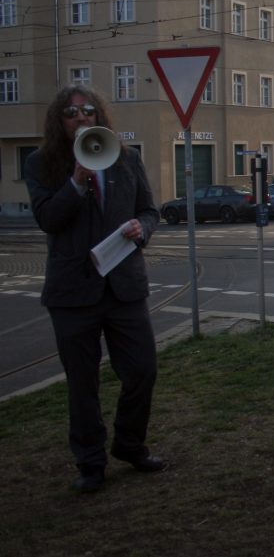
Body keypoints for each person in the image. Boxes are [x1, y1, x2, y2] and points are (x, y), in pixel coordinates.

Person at [24, 85, 164, 493]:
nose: (81, 118)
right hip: (73, 293)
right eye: (71, 113)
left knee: (142, 370)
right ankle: (90, 462)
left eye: (88, 111)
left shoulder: (126, 158)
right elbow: (48, 220)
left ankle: (130, 444)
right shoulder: (40, 163)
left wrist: (142, 229)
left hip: (124, 287)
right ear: (60, 121)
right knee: (82, 384)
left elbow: (149, 210)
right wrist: (76, 182)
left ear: (99, 115)